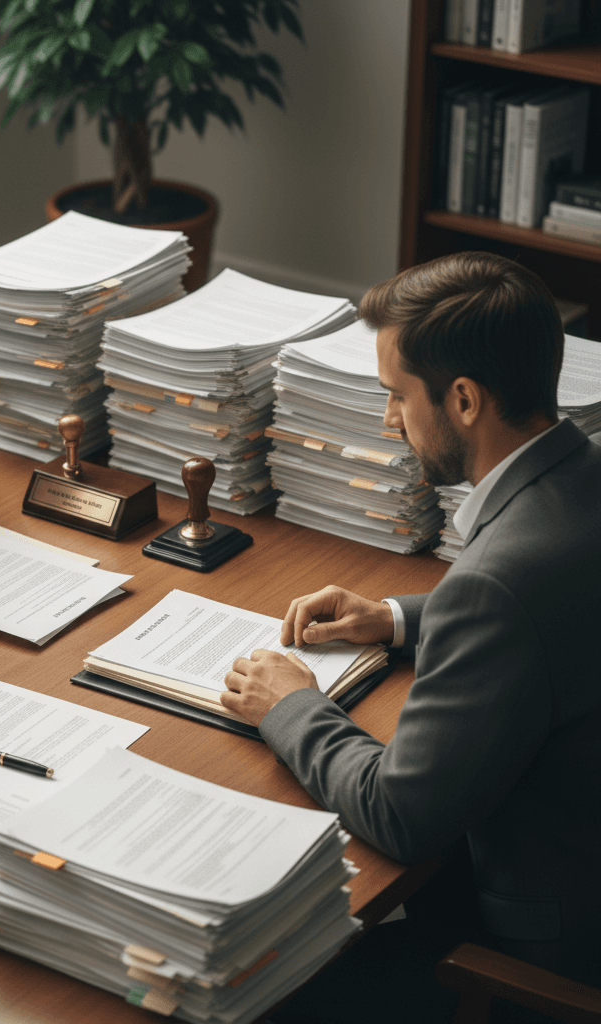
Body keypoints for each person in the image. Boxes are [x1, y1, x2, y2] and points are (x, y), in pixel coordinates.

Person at [221, 252, 601, 1019]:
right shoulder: (583, 475)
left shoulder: (498, 586)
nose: (389, 419)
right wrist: (393, 619)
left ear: (462, 399)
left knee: (254, 987)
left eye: (397, 395)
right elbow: (550, 608)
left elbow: (400, 815)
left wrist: (287, 704)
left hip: (530, 960)